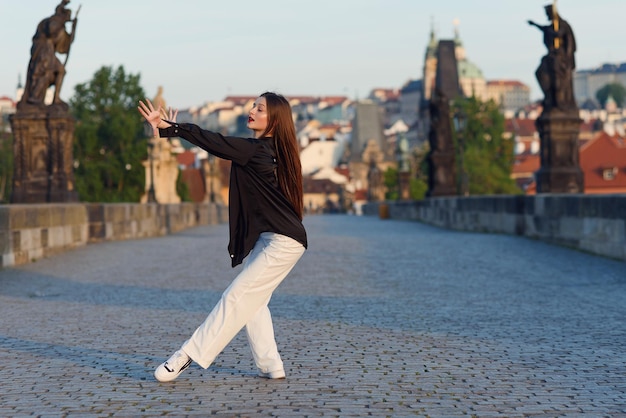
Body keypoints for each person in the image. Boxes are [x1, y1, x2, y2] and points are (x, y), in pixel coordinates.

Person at [138, 92, 308, 382]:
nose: (251, 110)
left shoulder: (257, 150)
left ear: (275, 120)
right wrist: (173, 131)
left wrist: (174, 129)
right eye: (253, 105)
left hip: (282, 243)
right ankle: (271, 365)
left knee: (236, 296)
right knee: (254, 301)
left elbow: (216, 142)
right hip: (271, 239)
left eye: (260, 108)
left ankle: (186, 356)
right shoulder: (273, 151)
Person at [19, 0, 77, 109]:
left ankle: (56, 98)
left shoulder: (60, 25)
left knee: (60, 71)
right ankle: (36, 98)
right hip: (43, 52)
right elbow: (51, 30)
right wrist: (63, 5)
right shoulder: (53, 21)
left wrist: (73, 28)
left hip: (49, 53)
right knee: (45, 73)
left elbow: (66, 43)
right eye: (68, 16)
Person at [528, 4, 577, 110]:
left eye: (547, 14)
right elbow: (544, 29)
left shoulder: (563, 25)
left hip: (560, 58)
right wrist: (534, 24)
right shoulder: (552, 26)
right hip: (552, 56)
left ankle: (558, 101)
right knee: (539, 73)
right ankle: (549, 96)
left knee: (556, 77)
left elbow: (563, 36)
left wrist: (555, 34)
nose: (547, 16)